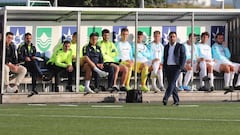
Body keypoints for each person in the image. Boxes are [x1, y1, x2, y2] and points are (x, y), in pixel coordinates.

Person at [163, 31, 186, 106]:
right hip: (168, 67)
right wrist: (165, 67)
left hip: (176, 67)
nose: (172, 38)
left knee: (172, 82)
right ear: (169, 38)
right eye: (171, 37)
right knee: (171, 84)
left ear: (176, 38)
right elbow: (165, 57)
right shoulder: (166, 47)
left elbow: (183, 57)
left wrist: (181, 67)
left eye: (173, 36)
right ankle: (176, 100)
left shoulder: (180, 46)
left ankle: (166, 97)